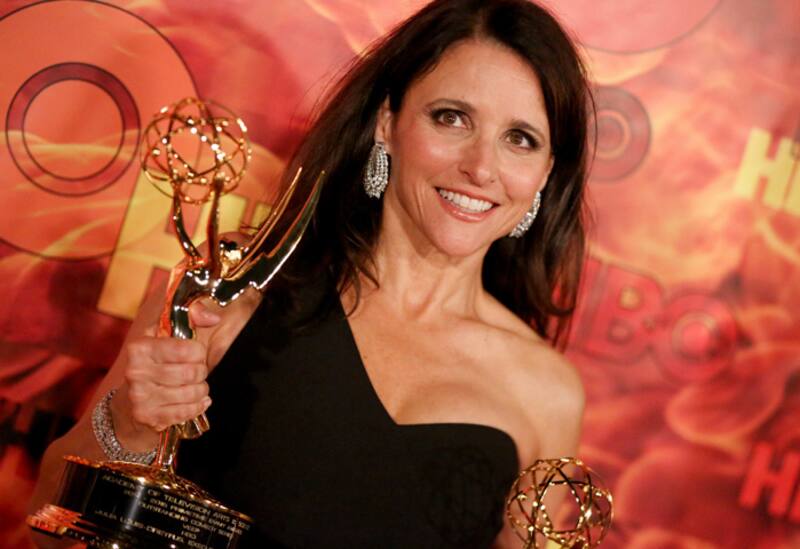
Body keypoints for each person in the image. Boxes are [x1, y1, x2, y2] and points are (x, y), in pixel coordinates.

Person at [30, 0, 593, 546]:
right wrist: (132, 423)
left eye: (520, 139)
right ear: (387, 123)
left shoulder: (546, 394)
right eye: (451, 118)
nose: (481, 167)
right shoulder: (231, 286)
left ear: (546, 172)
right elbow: (47, 523)